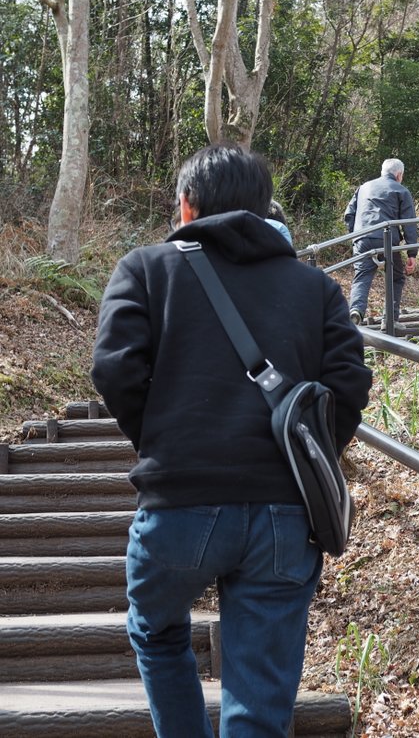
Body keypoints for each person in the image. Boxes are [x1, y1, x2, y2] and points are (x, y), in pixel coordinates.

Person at [91, 144, 372, 738]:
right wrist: (308, 456)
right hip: (283, 517)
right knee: (258, 690)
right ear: (264, 209)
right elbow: (348, 382)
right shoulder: (313, 286)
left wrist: (162, 442)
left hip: (179, 508)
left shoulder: (145, 268)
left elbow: (115, 369)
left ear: (186, 207)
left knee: (156, 631)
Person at [343, 158, 418, 328]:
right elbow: (409, 224)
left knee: (362, 274)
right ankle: (390, 319)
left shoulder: (363, 187)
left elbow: (349, 215)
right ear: (399, 174)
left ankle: (356, 310)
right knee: (396, 277)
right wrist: (412, 253)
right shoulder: (401, 190)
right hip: (387, 239)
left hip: (362, 237)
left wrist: (356, 236)